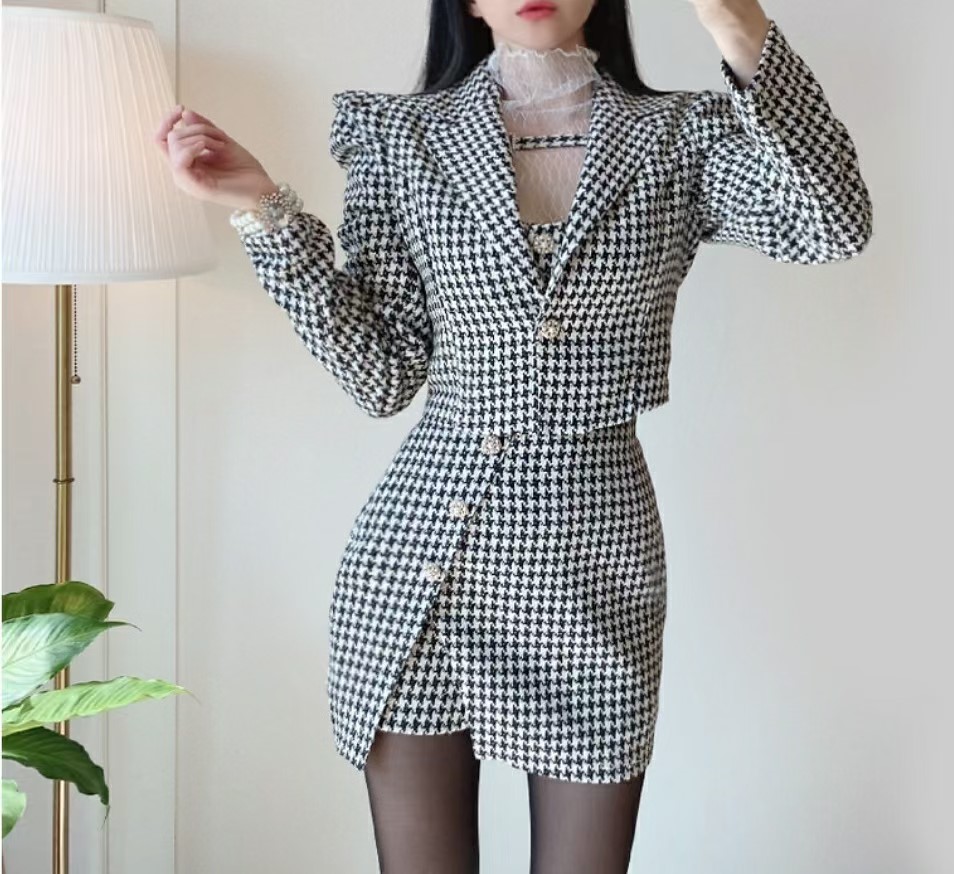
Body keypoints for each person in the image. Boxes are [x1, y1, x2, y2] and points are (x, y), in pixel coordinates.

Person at [154, 1, 873, 871]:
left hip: (594, 557)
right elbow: (380, 374)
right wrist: (260, 207)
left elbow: (832, 225)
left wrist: (736, 23)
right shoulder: (402, 137)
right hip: (424, 565)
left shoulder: (682, 134)